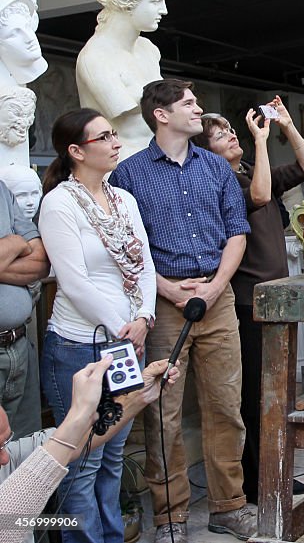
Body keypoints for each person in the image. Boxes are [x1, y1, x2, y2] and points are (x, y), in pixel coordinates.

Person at [108, 79, 254, 543]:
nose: (198, 109)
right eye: (188, 104)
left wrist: (214, 288)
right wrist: (168, 290)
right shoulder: (128, 175)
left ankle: (228, 507)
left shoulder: (216, 168)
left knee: (225, 406)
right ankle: (170, 514)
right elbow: (128, 248)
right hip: (162, 306)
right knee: (162, 413)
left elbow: (237, 232)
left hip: (217, 298)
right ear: (161, 114)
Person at [37, 108, 157, 543]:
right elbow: (73, 281)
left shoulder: (123, 198)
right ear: (76, 151)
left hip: (126, 341)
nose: (115, 143)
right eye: (104, 137)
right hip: (79, 345)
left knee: (112, 456)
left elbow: (144, 265)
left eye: (114, 135)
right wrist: (122, 323)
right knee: (81, 461)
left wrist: (143, 318)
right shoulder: (59, 203)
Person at [191, 97, 304, 503]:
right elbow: (261, 196)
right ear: (204, 149)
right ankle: (257, 479)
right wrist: (260, 140)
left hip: (275, 295)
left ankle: (272, 470)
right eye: (221, 134)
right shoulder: (221, 182)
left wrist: (285, 125)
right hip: (246, 300)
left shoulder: (247, 170)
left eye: (232, 129)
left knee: (276, 388)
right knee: (252, 394)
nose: (233, 134)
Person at [0, 357, 180, 543]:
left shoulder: (10, 455)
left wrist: (140, 395)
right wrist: (80, 411)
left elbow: (78, 440)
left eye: (6, 442)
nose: (5, 458)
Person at [75, 0, 166, 159]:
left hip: (160, 159)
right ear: (128, 3)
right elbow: (130, 120)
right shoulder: (95, 57)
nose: (164, 10)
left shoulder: (148, 49)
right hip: (122, 165)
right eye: (155, 1)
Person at [0, 176, 47, 440]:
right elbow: (26, 246)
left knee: (27, 451)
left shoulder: (1, 190)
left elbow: (40, 261)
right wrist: (16, 243)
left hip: (20, 347)